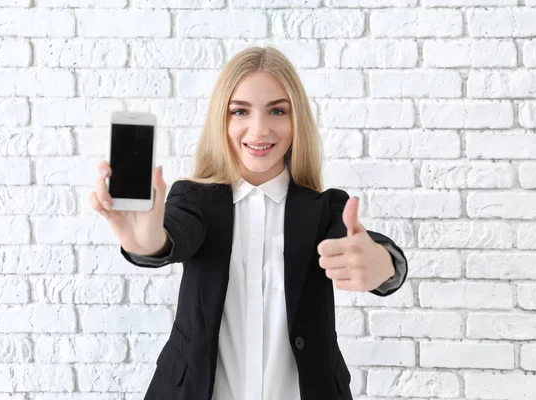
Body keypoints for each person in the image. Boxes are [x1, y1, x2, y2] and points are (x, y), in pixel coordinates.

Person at [89, 46, 408, 400]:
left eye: (277, 110)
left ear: (296, 119)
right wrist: (145, 242)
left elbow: (362, 245)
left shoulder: (323, 209)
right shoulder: (194, 200)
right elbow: (172, 235)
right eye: (240, 111)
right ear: (221, 121)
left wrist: (384, 264)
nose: (259, 129)